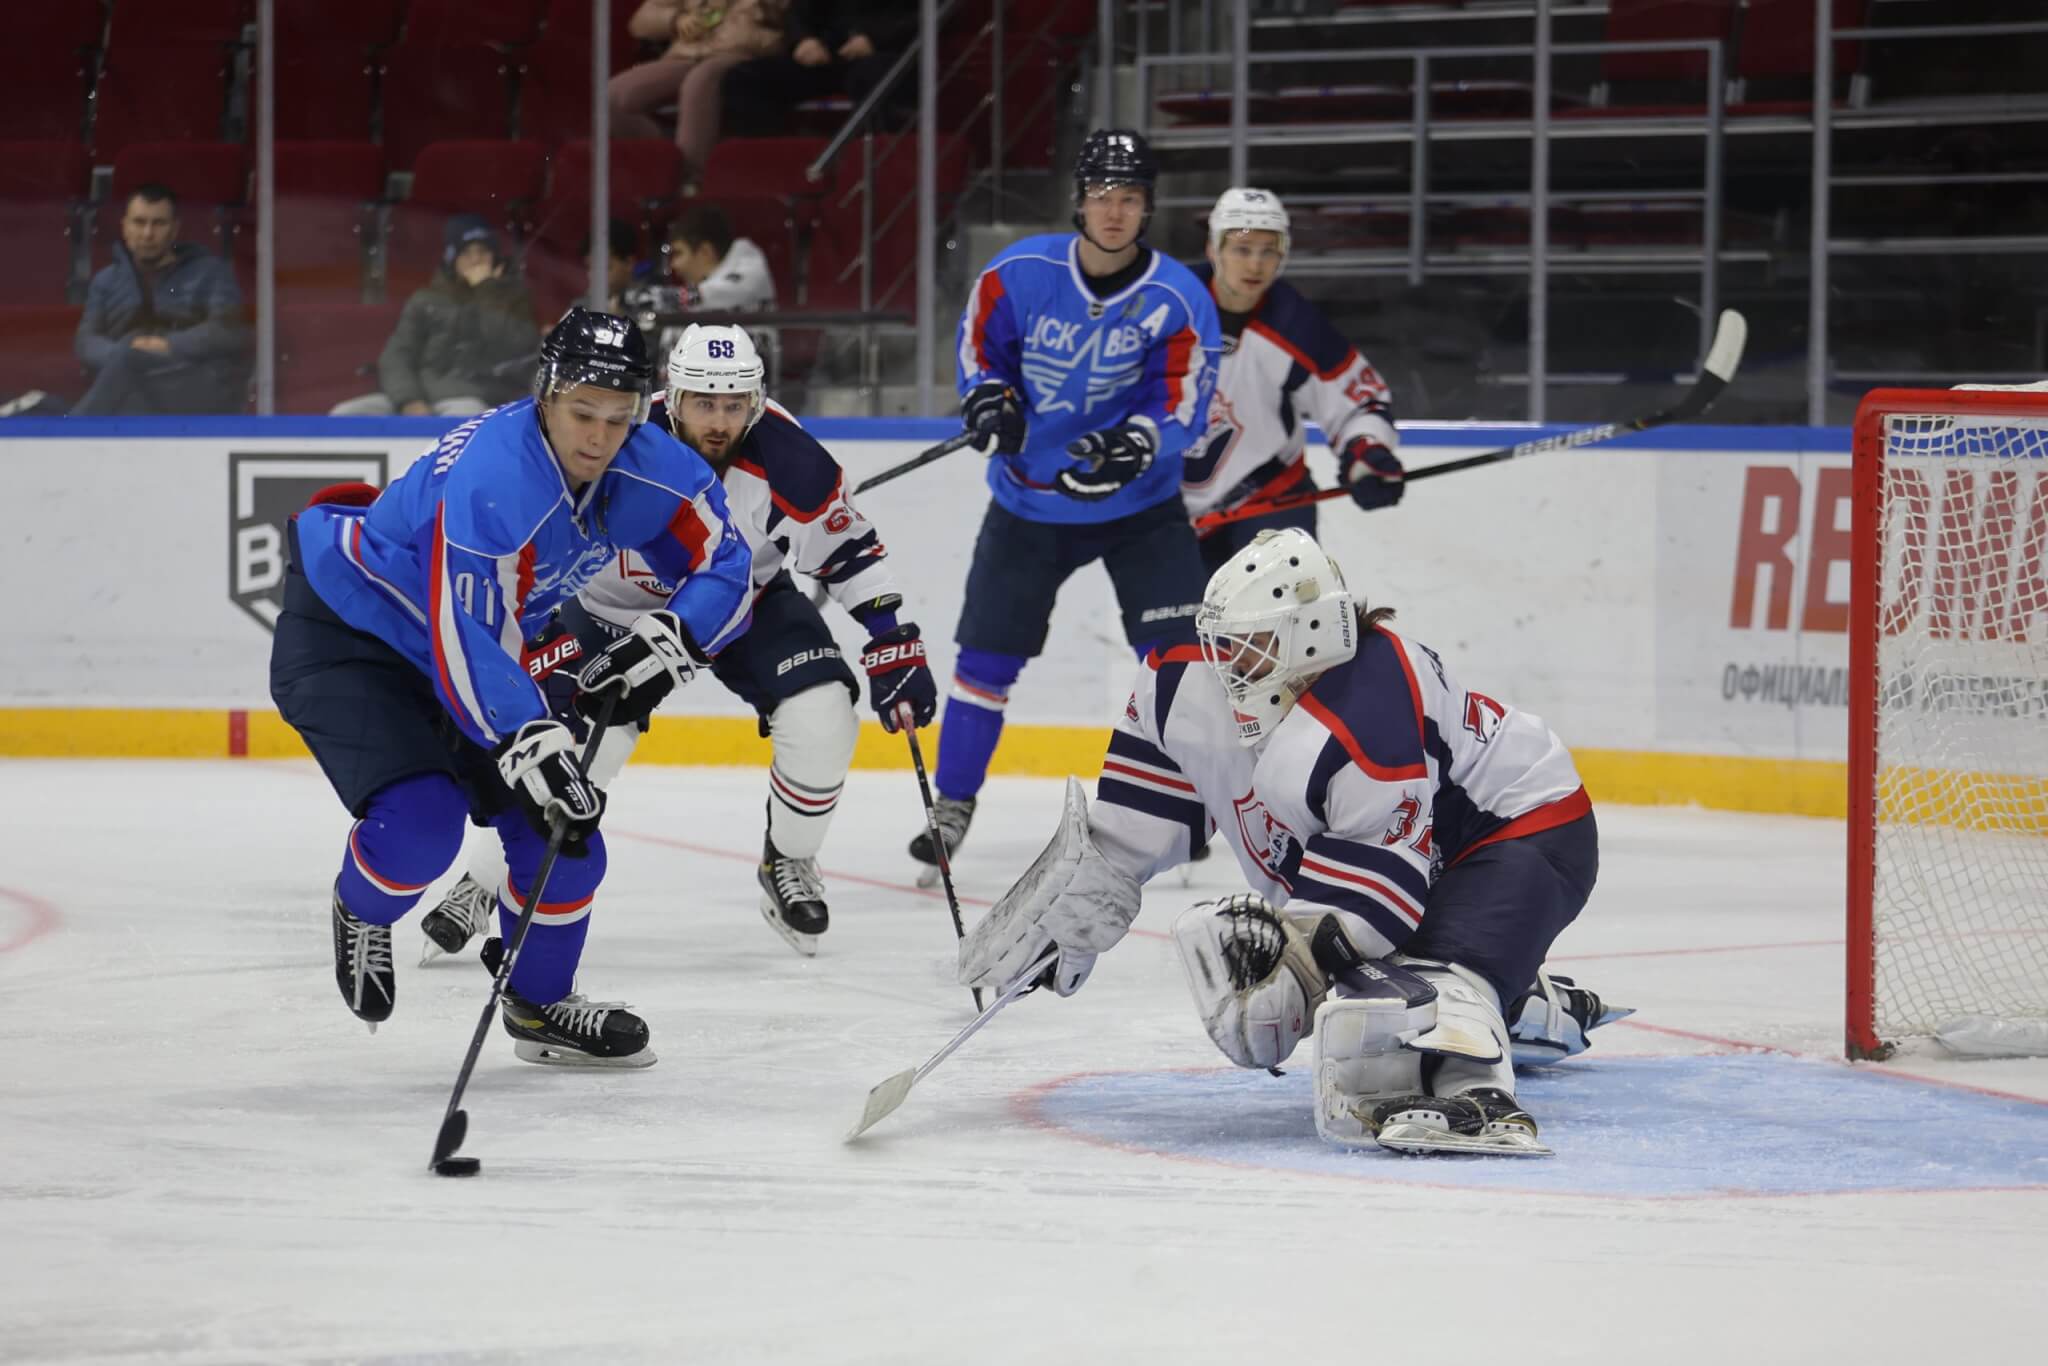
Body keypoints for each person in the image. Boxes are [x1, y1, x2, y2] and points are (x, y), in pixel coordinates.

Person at [956, 528, 1610, 1156]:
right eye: (1223, 642)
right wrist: (1072, 913)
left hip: (1522, 827)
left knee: (1399, 999)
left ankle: (1474, 1094)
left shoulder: (1367, 707)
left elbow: (1379, 904)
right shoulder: (1180, 680)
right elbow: (1135, 823)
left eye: (1254, 645)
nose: (1229, 663)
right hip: (1418, 854)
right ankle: (1521, 998)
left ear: (1314, 636)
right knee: (1389, 980)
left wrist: (1288, 975)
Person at [269, 308, 753, 1067]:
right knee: (421, 826)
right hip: (353, 630)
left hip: (477, 647)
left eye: (619, 419)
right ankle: (362, 909)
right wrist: (529, 736)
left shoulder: (644, 464)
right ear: (545, 395)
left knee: (563, 836)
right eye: (581, 413)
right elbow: (465, 634)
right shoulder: (497, 478)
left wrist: (672, 639)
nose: (598, 437)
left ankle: (538, 1004)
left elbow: (725, 560)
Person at [417, 324, 937, 959]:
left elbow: (846, 552)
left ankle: (791, 859)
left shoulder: (791, 462)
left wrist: (893, 637)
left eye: (734, 404)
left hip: (745, 601)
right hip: (610, 609)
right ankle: (485, 877)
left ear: (756, 398)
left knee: (823, 712)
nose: (719, 421)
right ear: (671, 394)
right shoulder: (621, 439)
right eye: (703, 403)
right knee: (580, 747)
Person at [908, 128, 1219, 883]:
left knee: (1180, 663)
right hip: (1028, 503)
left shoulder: (1177, 296)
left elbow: (1181, 396)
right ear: (1080, 201)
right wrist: (988, 400)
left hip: (1139, 507)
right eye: (1103, 196)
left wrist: (1135, 445)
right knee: (984, 660)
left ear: (1148, 209)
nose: (1115, 212)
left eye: (1131, 198)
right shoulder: (1018, 274)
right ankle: (953, 804)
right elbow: (983, 350)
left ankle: (1187, 801)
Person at [1184, 187, 1404, 572]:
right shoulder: (1165, 308)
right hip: (1170, 514)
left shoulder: (1296, 326)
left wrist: (1365, 457)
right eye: (1242, 249)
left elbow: (1361, 403)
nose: (1255, 264)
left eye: (1269, 250)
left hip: (1267, 502)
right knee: (1182, 634)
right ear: (1212, 250)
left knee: (1287, 630)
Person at [331, 215, 540, 417]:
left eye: (483, 251)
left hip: (471, 399)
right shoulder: (426, 299)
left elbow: (514, 348)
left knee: (467, 415)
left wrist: (487, 290)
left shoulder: (513, 299)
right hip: (417, 396)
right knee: (345, 414)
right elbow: (397, 356)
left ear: (495, 257)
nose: (475, 259)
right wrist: (409, 400)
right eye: (466, 252)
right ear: (452, 258)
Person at [71, 184, 249, 416]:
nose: (147, 234)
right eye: (139, 222)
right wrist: (124, 355)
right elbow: (86, 341)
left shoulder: (211, 272)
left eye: (158, 223)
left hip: (191, 385)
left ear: (174, 229)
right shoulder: (105, 280)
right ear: (124, 227)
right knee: (127, 364)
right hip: (128, 389)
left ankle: (73, 430)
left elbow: (228, 331)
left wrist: (169, 345)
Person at [608, 1, 788, 184]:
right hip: (686, 54)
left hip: (740, 54)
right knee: (611, 96)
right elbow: (640, 21)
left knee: (699, 82)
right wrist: (675, 20)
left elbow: (793, 22)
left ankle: (689, 180)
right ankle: (666, 158)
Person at [720, 0, 916, 136]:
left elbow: (926, 16)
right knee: (744, 78)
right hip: (827, 53)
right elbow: (798, 13)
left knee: (873, 76)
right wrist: (804, 40)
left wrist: (876, 39)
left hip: (887, 52)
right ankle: (778, 162)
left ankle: (863, 165)